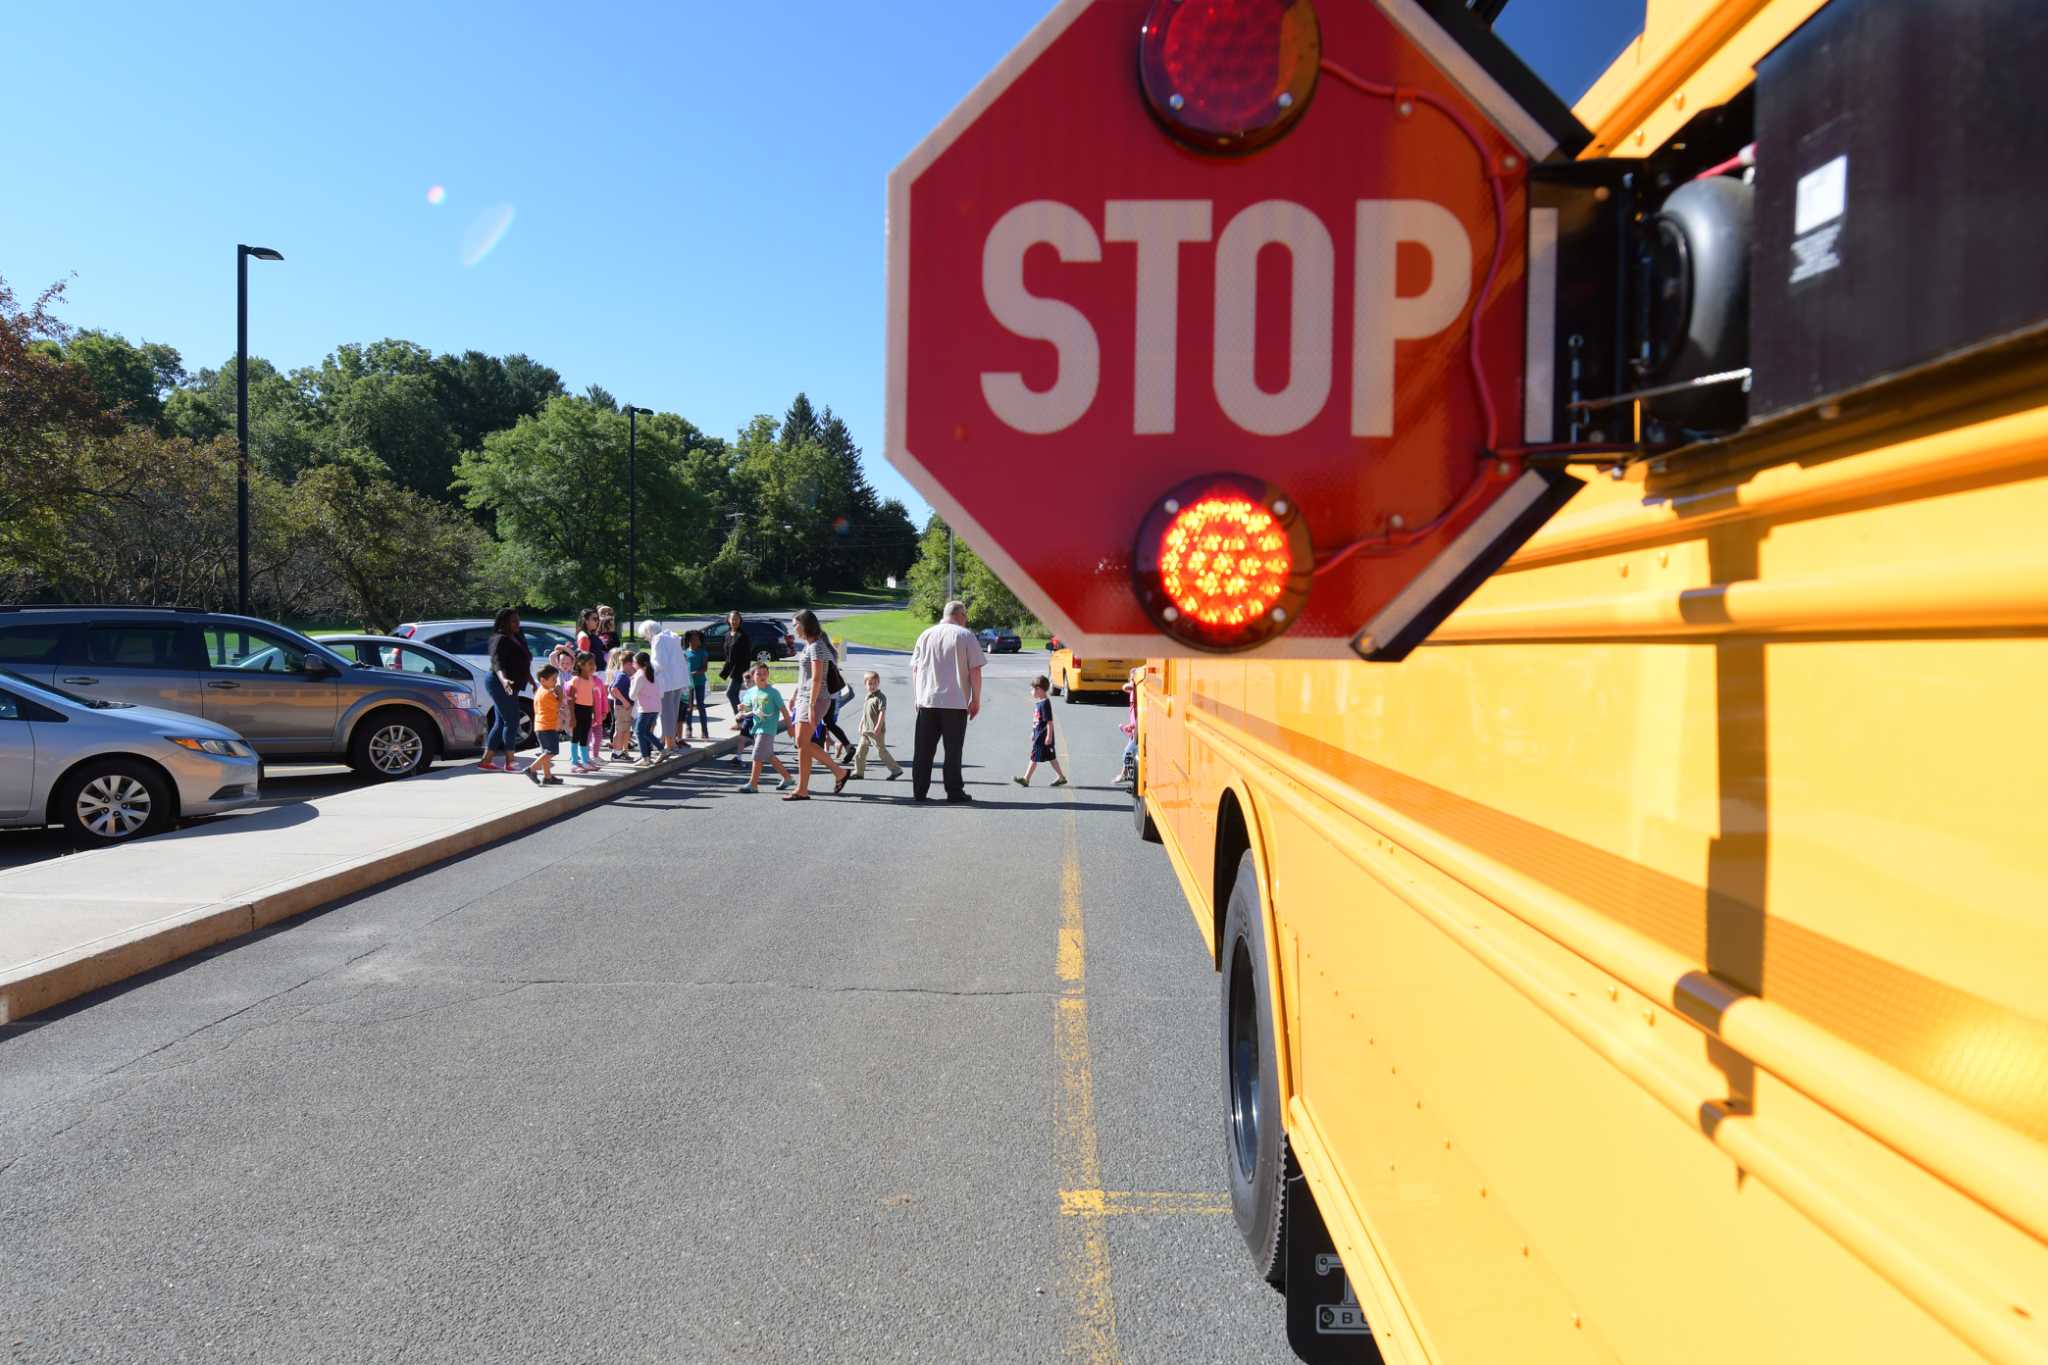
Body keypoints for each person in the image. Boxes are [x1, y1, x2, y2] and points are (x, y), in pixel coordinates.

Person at [908, 600, 985, 803]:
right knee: (952, 751)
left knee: (923, 750)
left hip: (927, 701)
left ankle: (919, 790)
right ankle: (954, 791)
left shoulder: (925, 635)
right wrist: (976, 699)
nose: (966, 620)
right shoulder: (965, 636)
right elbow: (975, 670)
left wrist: (917, 697)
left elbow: (915, 669)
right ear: (959, 614)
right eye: (965, 615)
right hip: (955, 702)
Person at [787, 609, 849, 800]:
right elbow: (805, 678)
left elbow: (816, 679)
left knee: (802, 742)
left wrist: (812, 706)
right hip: (804, 698)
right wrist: (795, 695)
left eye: (795, 624)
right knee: (802, 744)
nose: (794, 627)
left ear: (805, 625)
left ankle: (838, 772)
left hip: (816, 699)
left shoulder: (816, 647)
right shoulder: (809, 645)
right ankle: (803, 788)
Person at [480, 606, 531, 772]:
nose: (517, 623)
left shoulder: (517, 636)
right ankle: (510, 762)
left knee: (501, 722)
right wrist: (504, 681)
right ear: (504, 622)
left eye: (518, 620)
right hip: (498, 682)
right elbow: (497, 663)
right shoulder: (500, 639)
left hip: (510, 684)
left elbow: (524, 661)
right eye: (513, 621)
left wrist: (532, 681)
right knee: (512, 720)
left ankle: (486, 761)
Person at [736, 662, 795, 793]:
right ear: (752, 676)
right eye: (758, 673)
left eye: (765, 673)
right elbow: (747, 708)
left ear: (768, 675)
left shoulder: (773, 692)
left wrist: (790, 727)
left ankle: (753, 784)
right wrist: (741, 708)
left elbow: (784, 710)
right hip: (757, 728)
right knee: (769, 755)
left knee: (757, 755)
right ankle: (787, 778)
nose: (762, 676)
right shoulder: (751, 692)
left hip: (768, 729)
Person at [644, 619, 692, 755]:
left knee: (666, 714)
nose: (645, 639)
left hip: (667, 682)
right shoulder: (671, 637)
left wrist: (646, 668)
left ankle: (669, 744)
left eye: (645, 636)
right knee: (673, 712)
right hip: (678, 681)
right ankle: (670, 741)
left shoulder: (658, 640)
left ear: (649, 632)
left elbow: (659, 663)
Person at [1013, 675, 1068, 787]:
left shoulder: (1045, 704)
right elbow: (1037, 721)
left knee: (1034, 758)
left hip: (1042, 738)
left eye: (1032, 689)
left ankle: (1026, 779)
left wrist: (1049, 736)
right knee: (1051, 758)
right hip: (1039, 735)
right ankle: (1061, 777)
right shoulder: (1040, 703)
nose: (1031, 691)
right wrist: (1033, 732)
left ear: (1039, 689)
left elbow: (1049, 721)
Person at [851, 670, 902, 781]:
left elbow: (882, 713)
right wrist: (860, 725)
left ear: (878, 683)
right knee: (860, 750)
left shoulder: (881, 697)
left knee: (881, 751)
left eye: (874, 683)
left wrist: (878, 727)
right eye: (869, 684)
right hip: (866, 729)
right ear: (865, 684)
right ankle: (858, 772)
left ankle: (896, 770)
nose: (872, 686)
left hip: (876, 731)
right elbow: (864, 712)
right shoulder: (868, 696)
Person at [718, 610, 751, 766]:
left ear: (740, 620)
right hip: (731, 669)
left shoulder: (743, 636)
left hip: (740, 670)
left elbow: (745, 656)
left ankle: (741, 720)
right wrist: (725, 671)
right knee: (733, 694)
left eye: (737, 619)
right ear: (728, 620)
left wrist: (744, 673)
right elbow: (727, 655)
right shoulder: (727, 635)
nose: (734, 621)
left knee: (731, 693)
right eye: (732, 619)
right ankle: (741, 719)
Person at [527, 664, 564, 785]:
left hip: (542, 726)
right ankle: (531, 769)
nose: (555, 682)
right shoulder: (546, 694)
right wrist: (560, 694)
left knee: (546, 753)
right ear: (543, 680)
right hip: (546, 727)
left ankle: (548, 777)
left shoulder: (542, 690)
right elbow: (558, 706)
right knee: (551, 752)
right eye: (553, 679)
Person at [568, 652, 599, 773]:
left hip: (587, 710)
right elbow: (570, 698)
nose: (593, 666)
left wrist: (594, 712)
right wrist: (572, 716)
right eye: (590, 664)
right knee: (576, 736)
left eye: (594, 664)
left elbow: (591, 695)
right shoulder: (576, 680)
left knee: (585, 737)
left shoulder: (591, 679)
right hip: (578, 710)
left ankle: (585, 761)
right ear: (580, 665)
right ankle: (574, 763)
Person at [631, 650, 663, 766]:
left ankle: (653, 753)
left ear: (639, 663)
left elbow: (632, 695)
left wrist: (632, 682)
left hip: (645, 708)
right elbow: (660, 692)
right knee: (646, 732)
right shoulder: (652, 673)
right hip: (655, 707)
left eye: (634, 662)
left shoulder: (639, 675)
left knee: (640, 731)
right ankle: (649, 756)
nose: (633, 665)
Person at [609, 650, 639, 759]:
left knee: (626, 730)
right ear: (628, 664)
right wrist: (625, 702)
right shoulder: (622, 676)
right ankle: (616, 752)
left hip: (625, 707)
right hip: (622, 707)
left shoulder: (624, 675)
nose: (635, 669)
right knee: (620, 730)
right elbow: (614, 689)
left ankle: (624, 751)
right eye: (634, 666)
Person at [682, 629, 711, 739]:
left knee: (700, 705)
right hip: (688, 684)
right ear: (689, 640)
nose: (696, 640)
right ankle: (689, 729)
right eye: (693, 638)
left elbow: (704, 668)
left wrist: (694, 673)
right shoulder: (685, 653)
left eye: (697, 638)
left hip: (699, 682)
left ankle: (705, 730)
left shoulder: (703, 652)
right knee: (688, 707)